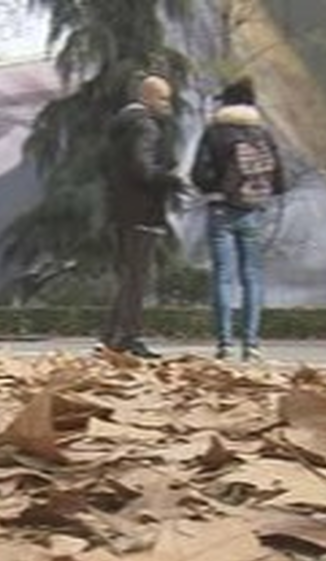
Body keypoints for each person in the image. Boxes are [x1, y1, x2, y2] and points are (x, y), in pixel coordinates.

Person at [190, 77, 286, 362]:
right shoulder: (262, 134)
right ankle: (252, 343)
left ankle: (224, 344)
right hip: (252, 211)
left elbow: (198, 175)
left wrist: (216, 186)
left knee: (223, 276)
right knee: (252, 277)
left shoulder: (215, 133)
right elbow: (279, 179)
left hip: (221, 209)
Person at [100, 74, 185, 360]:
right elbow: (143, 169)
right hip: (143, 210)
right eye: (162, 98)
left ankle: (112, 336)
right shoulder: (145, 126)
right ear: (147, 97)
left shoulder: (120, 126)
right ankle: (129, 337)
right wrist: (170, 178)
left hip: (121, 209)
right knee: (137, 277)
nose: (167, 105)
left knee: (128, 275)